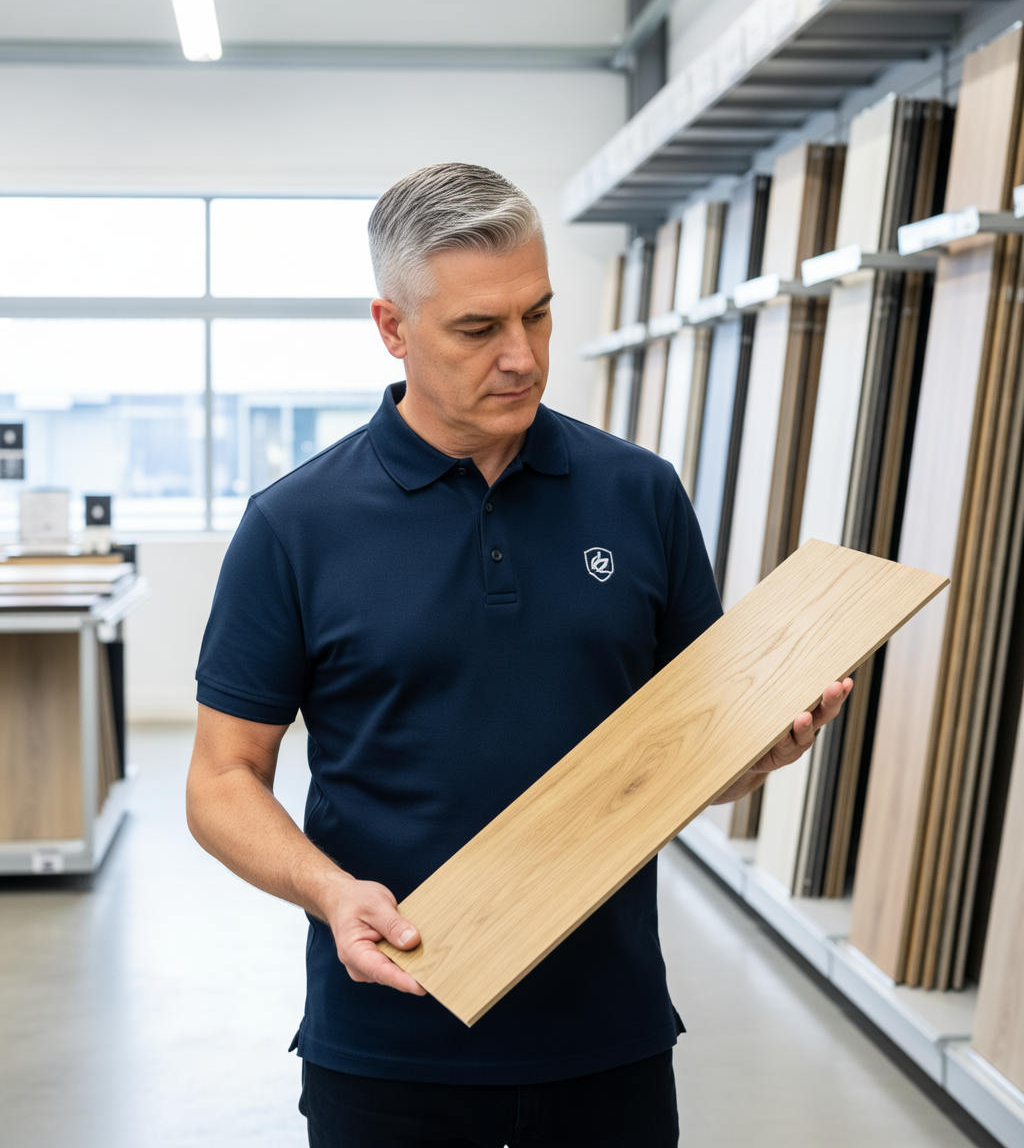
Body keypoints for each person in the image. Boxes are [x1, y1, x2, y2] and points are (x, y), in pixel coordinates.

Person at [187, 163, 852, 1148]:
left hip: (609, 1037)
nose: (523, 357)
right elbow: (221, 777)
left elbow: (686, 754)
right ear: (391, 326)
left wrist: (755, 751)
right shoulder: (295, 525)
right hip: (388, 1044)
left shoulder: (641, 495)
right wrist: (330, 890)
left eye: (538, 316)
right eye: (477, 328)